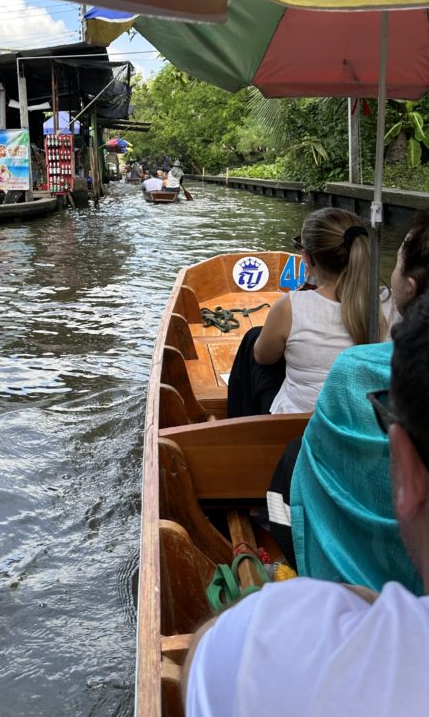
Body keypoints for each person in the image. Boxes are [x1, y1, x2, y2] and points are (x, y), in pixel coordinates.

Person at [184, 290, 429, 716]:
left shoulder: (260, 644)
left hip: (284, 449)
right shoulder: (374, 313)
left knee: (292, 450)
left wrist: (344, 599)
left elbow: (208, 652)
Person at [269, 210, 429, 594]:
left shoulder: (355, 369)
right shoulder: (381, 313)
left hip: (363, 578)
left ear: (409, 285)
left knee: (293, 455)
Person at [227, 207, 389, 418]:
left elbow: (263, 357)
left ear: (308, 257)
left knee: (253, 339)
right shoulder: (387, 302)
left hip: (298, 423)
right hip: (363, 419)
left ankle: (242, 430)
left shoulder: (290, 306)